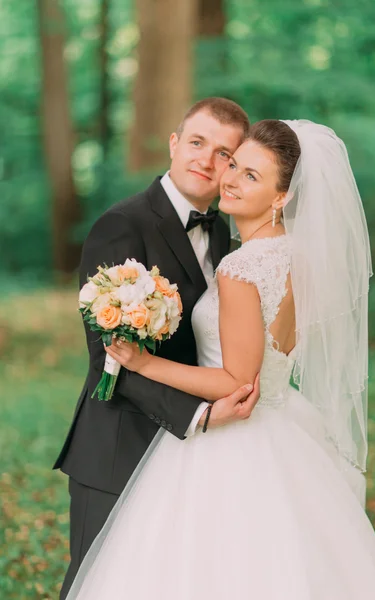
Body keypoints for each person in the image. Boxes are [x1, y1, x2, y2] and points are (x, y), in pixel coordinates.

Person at [66, 120, 375, 599]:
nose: (230, 179)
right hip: (286, 425)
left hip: (233, 435)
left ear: (282, 197)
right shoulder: (299, 257)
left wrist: (143, 363)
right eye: (235, 166)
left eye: (251, 176)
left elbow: (238, 379)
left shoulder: (241, 265)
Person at [54, 97, 261, 600]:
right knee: (96, 584)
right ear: (174, 143)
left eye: (223, 154)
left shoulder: (228, 236)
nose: (206, 161)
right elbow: (111, 359)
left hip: (193, 457)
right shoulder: (121, 225)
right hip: (119, 446)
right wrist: (200, 416)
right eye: (197, 143)